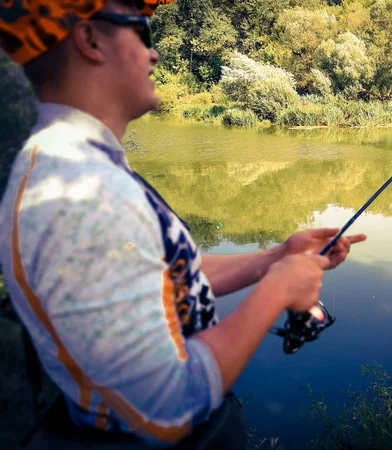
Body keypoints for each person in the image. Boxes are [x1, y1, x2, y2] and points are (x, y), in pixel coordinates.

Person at [0, 0, 367, 448]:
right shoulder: (79, 190)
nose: (154, 54)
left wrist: (276, 258)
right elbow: (166, 409)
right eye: (143, 31)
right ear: (90, 39)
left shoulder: (77, 166)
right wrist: (279, 291)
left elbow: (164, 277)